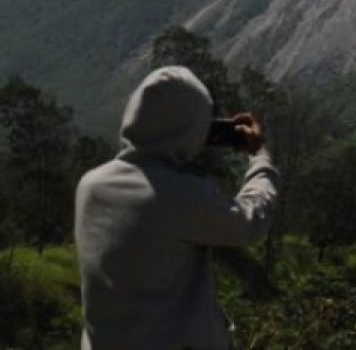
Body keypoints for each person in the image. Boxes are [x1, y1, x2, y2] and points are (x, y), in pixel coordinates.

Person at [74, 66, 278, 349]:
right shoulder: (182, 196)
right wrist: (260, 157)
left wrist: (180, 138)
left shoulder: (90, 186)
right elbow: (251, 220)